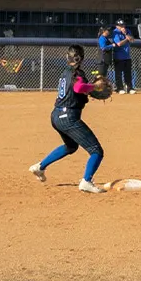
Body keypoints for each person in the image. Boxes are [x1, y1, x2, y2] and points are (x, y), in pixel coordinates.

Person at [29, 45, 106, 194]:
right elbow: (78, 88)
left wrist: (88, 88)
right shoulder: (77, 73)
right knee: (96, 150)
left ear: (67, 57)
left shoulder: (65, 72)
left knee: (71, 147)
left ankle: (40, 167)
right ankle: (86, 181)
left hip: (56, 116)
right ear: (82, 59)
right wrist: (94, 86)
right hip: (68, 117)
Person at [111, 18, 135, 94]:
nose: (122, 26)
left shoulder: (127, 31)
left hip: (127, 56)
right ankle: (119, 88)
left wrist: (126, 34)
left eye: (123, 25)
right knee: (118, 73)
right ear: (117, 26)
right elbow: (119, 44)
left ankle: (130, 88)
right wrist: (126, 39)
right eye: (120, 25)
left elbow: (132, 40)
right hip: (118, 56)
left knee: (128, 73)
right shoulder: (115, 32)